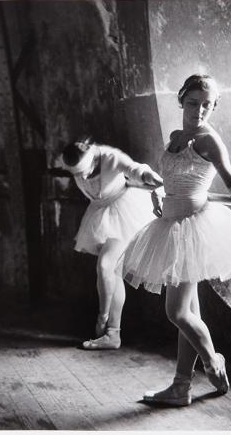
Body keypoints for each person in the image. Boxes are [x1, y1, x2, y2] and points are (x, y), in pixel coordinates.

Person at [120, 74, 231, 405]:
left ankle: (211, 361)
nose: (200, 110)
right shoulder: (176, 136)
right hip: (169, 224)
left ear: (214, 105)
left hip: (192, 228)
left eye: (208, 104)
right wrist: (158, 191)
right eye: (193, 103)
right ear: (181, 100)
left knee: (177, 312)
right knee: (189, 311)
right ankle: (181, 386)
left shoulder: (209, 140)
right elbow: (172, 177)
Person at [60, 138, 163, 350]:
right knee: (113, 273)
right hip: (100, 215)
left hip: (124, 213)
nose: (84, 177)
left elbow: (135, 168)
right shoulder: (72, 161)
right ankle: (113, 334)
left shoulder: (110, 156)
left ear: (92, 157)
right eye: (77, 174)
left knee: (105, 266)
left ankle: (103, 317)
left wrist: (148, 176)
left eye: (85, 170)